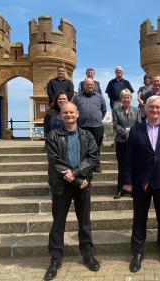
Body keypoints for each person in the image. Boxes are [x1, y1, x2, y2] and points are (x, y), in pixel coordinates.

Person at [123, 95, 160, 272]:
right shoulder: (135, 130)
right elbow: (128, 158)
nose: (155, 110)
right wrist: (127, 181)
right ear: (145, 109)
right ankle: (138, 252)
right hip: (141, 181)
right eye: (152, 107)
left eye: (158, 108)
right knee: (139, 218)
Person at [44, 102, 100, 280]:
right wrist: (76, 178)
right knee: (58, 224)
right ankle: (55, 259)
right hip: (62, 185)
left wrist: (76, 175)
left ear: (77, 114)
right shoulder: (53, 136)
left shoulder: (87, 136)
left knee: (84, 223)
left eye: (72, 112)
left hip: (82, 184)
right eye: (65, 112)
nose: (68, 115)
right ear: (60, 115)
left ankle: (87, 255)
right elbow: (55, 162)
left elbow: (93, 158)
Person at [112, 89, 142, 199]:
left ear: (131, 98)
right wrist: (125, 134)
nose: (126, 99)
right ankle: (120, 189)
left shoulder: (137, 110)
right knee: (122, 166)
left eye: (128, 97)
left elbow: (139, 124)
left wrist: (132, 134)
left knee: (134, 165)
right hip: (121, 142)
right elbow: (115, 125)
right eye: (124, 97)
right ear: (121, 99)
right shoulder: (116, 110)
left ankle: (133, 188)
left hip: (134, 142)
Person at [73, 78, 107, 173]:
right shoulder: (77, 97)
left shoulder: (99, 97)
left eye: (91, 84)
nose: (90, 86)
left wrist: (97, 118)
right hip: (82, 126)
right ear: (84, 85)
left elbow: (104, 110)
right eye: (87, 84)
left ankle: (96, 164)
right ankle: (84, 165)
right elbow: (74, 110)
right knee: (83, 146)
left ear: (94, 85)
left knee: (96, 146)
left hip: (96, 125)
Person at [105, 66, 134, 147]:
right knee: (116, 121)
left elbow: (130, 92)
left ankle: (128, 136)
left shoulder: (126, 82)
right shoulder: (111, 82)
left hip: (126, 103)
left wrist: (125, 100)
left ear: (123, 72)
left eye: (120, 70)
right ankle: (115, 140)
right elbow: (109, 94)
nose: (119, 71)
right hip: (116, 103)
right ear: (115, 72)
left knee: (127, 120)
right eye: (117, 70)